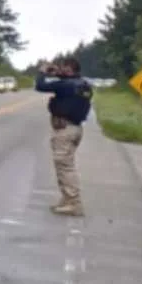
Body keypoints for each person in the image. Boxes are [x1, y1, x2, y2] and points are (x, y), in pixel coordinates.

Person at [35, 56, 93, 217]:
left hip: (65, 129)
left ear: (69, 69)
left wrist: (42, 72)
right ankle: (67, 200)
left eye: (63, 68)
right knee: (65, 165)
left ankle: (74, 203)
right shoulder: (83, 84)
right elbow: (68, 83)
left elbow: (41, 86)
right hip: (75, 128)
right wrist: (58, 73)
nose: (59, 70)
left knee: (65, 167)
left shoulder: (66, 85)